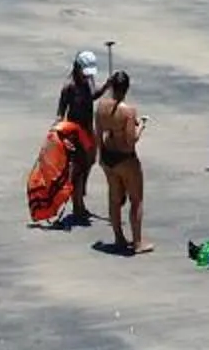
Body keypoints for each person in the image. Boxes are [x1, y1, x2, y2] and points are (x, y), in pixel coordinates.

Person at [92, 69, 150, 253]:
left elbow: (98, 133)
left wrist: (100, 155)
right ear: (127, 88)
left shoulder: (101, 107)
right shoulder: (128, 111)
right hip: (126, 159)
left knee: (114, 198)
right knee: (136, 199)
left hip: (108, 156)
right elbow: (131, 141)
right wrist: (141, 126)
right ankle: (137, 242)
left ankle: (119, 238)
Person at [56, 51, 101, 224]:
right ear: (77, 68)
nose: (87, 76)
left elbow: (92, 96)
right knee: (78, 170)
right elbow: (60, 114)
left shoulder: (88, 81)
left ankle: (80, 198)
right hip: (75, 133)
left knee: (90, 162)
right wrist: (60, 136)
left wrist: (106, 86)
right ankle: (77, 207)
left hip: (88, 130)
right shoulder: (69, 87)